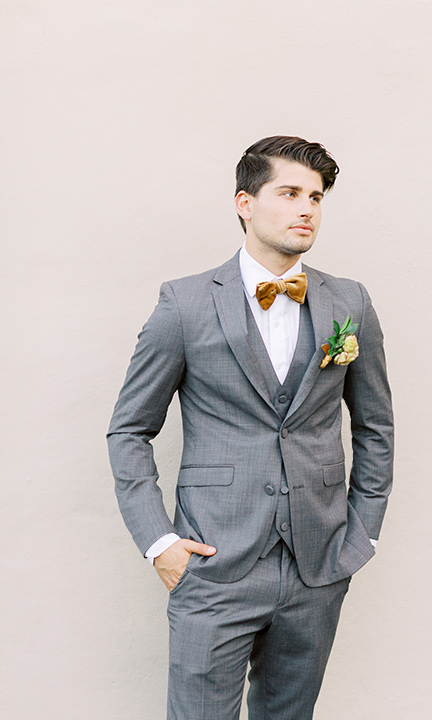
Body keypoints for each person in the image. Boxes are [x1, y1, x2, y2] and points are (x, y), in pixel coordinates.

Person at [107, 135, 394, 720]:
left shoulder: (349, 302)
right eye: (289, 193)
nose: (306, 209)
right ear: (245, 202)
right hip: (215, 563)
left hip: (319, 562)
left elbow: (376, 426)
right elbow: (129, 429)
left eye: (315, 197)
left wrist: (362, 534)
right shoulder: (184, 304)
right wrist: (160, 543)